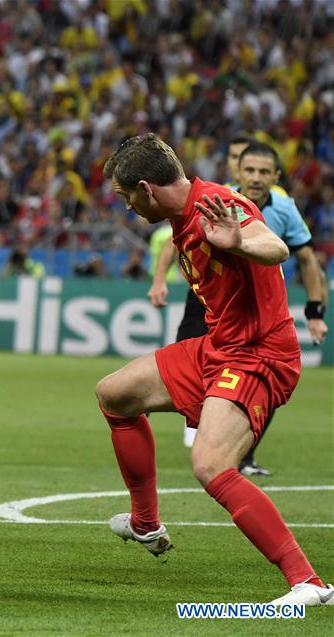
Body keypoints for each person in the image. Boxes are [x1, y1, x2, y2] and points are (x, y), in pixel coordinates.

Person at [98, 133, 332, 606]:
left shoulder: (217, 204)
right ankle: (145, 523)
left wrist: (239, 240)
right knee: (115, 393)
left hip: (259, 354)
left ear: (147, 189)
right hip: (219, 346)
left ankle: (307, 583)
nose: (127, 208)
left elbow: (275, 247)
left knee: (210, 465)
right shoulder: (183, 215)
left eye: (126, 198)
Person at [149, 141, 328, 472]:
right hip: (207, 298)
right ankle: (204, 421)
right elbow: (173, 242)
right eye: (250, 170)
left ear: (276, 175)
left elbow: (305, 257)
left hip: (255, 304)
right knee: (189, 356)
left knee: (261, 377)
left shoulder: (285, 209)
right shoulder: (216, 199)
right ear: (237, 172)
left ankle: (240, 450)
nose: (256, 178)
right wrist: (159, 281)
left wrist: (315, 311)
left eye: (264, 172)